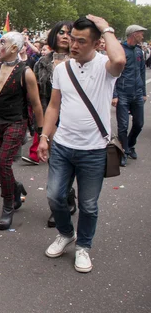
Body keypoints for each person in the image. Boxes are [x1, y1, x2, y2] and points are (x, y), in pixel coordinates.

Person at [38, 15, 125, 273]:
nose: (72, 44)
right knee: (54, 196)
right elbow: (54, 106)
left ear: (97, 43)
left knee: (88, 205)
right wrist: (44, 137)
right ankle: (66, 233)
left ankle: (83, 246)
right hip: (63, 145)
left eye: (81, 41)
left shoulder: (105, 67)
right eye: (71, 38)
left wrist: (106, 27)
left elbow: (119, 59)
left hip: (94, 150)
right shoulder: (62, 68)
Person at [0, 32, 44, 230]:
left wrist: (41, 134)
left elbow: (37, 104)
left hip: (16, 121)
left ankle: (9, 205)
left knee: (4, 161)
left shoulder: (26, 72)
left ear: (14, 48)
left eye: (3, 43)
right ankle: (15, 188)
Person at [21, 22, 77, 227]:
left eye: (69, 33)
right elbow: (36, 96)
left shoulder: (81, 60)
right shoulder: (41, 62)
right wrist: (39, 123)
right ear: (54, 36)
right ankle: (60, 203)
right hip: (51, 117)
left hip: (76, 118)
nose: (65, 36)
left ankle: (68, 196)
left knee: (73, 161)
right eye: (61, 32)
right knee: (56, 162)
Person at [113, 25, 147, 167]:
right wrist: (114, 94)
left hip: (137, 93)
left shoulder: (139, 52)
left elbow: (142, 72)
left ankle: (131, 144)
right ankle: (124, 151)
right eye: (141, 34)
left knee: (139, 123)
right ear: (133, 34)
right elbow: (113, 74)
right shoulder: (120, 51)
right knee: (123, 126)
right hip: (122, 93)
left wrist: (144, 92)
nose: (143, 37)